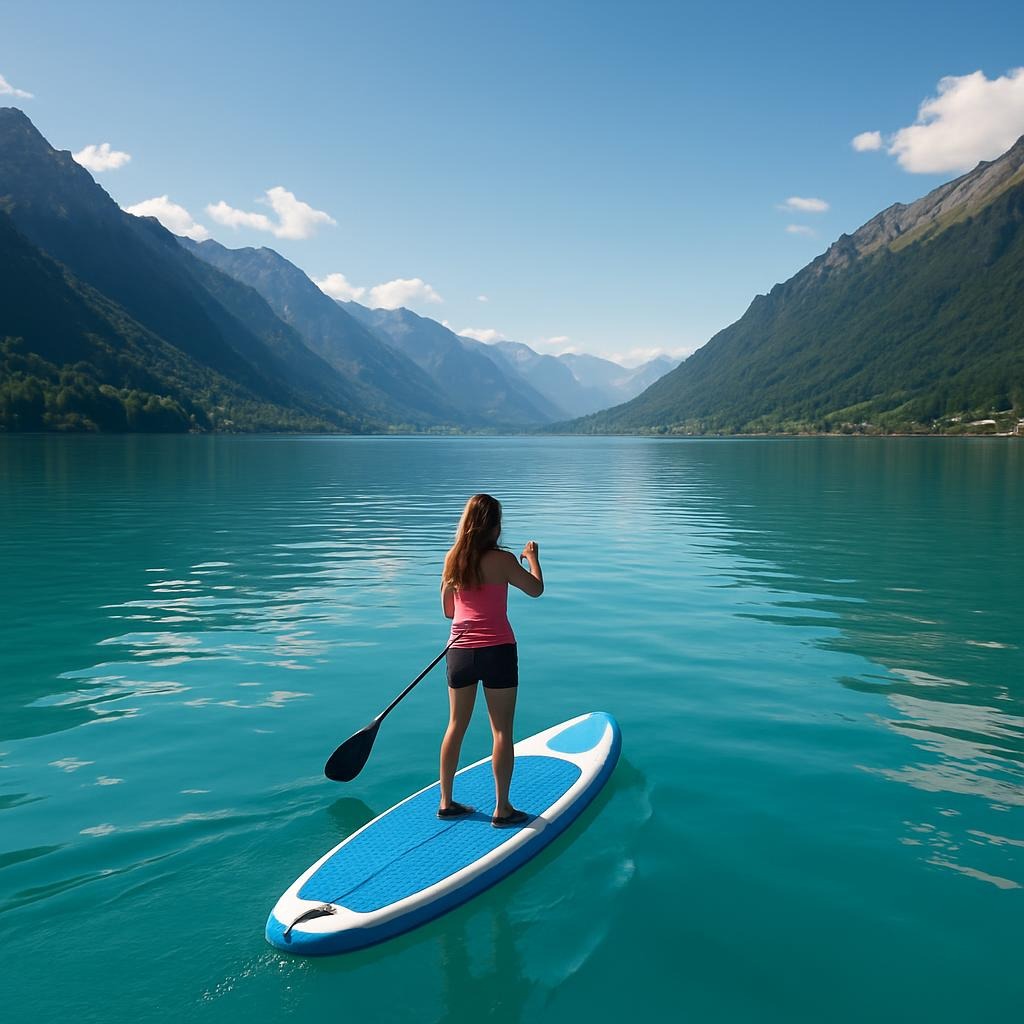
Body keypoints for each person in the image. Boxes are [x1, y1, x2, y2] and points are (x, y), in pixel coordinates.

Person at [438, 493, 543, 827]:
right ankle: (502, 808)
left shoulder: (453, 559)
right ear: (495, 526)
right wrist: (532, 558)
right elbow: (536, 589)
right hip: (497, 651)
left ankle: (446, 801)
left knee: (456, 726)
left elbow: (448, 612)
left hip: (460, 652)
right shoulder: (504, 560)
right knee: (501, 731)